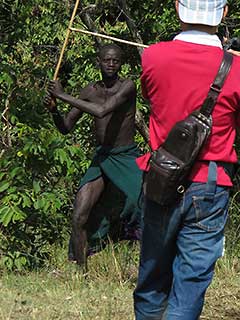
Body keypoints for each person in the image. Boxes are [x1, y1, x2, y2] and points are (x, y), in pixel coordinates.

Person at [133, 1, 240, 319]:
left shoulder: (153, 56)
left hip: (161, 178)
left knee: (152, 280)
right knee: (189, 286)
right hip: (210, 182)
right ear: (222, 15)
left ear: (179, 8)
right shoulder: (235, 69)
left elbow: (152, 98)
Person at [44, 43, 144, 268]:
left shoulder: (127, 86)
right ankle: (81, 272)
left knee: (141, 206)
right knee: (79, 215)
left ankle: (142, 259)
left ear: (120, 64)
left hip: (126, 155)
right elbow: (66, 127)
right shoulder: (89, 91)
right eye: (107, 60)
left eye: (115, 61)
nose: (111, 64)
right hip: (102, 157)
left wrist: (61, 95)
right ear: (98, 62)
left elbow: (102, 110)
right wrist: (54, 110)